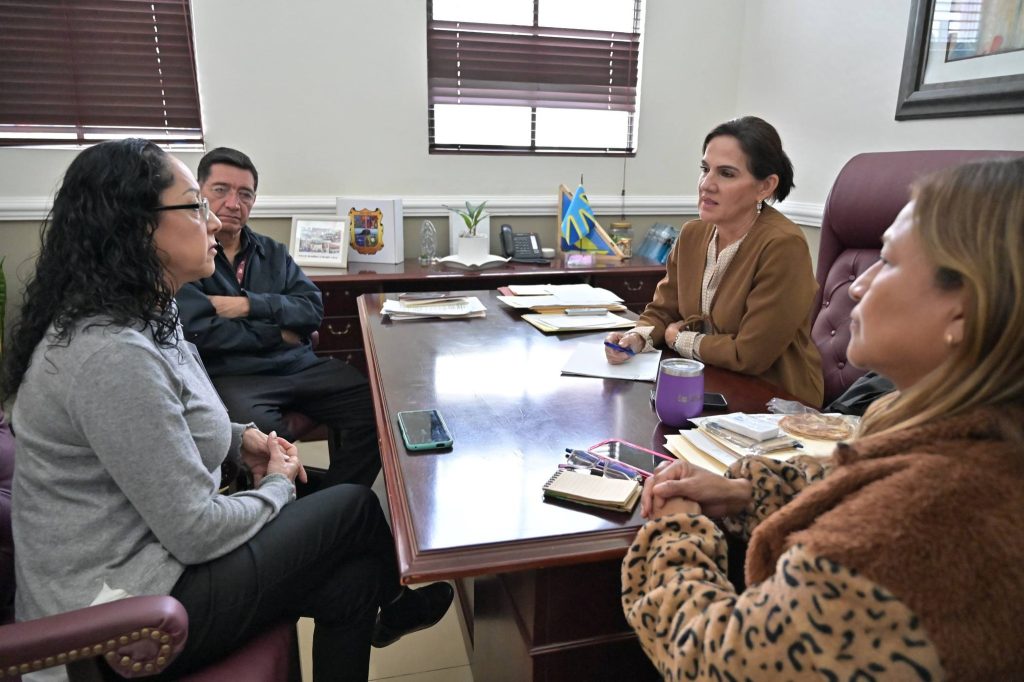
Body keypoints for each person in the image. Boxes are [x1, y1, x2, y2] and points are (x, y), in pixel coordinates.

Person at [1, 139, 452, 681]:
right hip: (120, 618)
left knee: (352, 582)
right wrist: (277, 486)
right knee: (354, 505)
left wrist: (243, 440)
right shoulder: (111, 354)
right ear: (137, 227)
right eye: (198, 205)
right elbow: (196, 530)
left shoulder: (148, 314)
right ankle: (397, 606)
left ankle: (387, 605)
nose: (215, 219)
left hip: (158, 560)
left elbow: (170, 417)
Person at [620, 157, 1024, 679]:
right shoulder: (964, 431)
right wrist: (744, 493)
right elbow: (855, 482)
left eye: (889, 262)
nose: (857, 285)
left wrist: (677, 530)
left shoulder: (918, 526)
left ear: (964, 310)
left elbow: (716, 663)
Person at [175, 147, 379, 489]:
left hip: (298, 366)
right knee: (263, 438)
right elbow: (200, 331)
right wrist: (278, 333)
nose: (233, 203)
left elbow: (311, 310)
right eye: (221, 190)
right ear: (200, 194)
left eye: (245, 194)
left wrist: (246, 306)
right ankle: (277, 503)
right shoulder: (186, 256)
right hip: (237, 375)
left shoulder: (273, 252)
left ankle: (337, 498)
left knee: (376, 409)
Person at [605, 116, 823, 407]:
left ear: (765, 186)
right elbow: (663, 311)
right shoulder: (692, 234)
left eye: (727, 174)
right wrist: (635, 337)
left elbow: (750, 355)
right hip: (707, 383)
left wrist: (678, 339)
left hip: (772, 401)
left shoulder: (783, 245)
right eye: (705, 169)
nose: (707, 184)